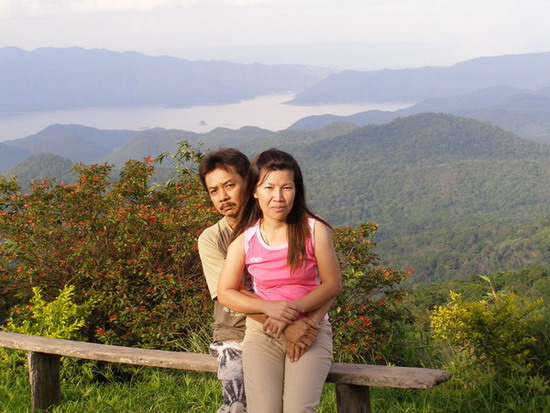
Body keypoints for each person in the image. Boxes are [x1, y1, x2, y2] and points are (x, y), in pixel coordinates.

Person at [217, 148, 342, 413]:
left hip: (310, 330)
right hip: (262, 333)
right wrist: (270, 308)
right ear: (254, 191)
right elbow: (226, 291)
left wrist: (296, 316)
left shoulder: (313, 229)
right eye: (269, 188)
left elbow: (332, 283)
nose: (278, 197)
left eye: (287, 187)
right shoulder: (246, 238)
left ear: (297, 190)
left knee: (298, 409)